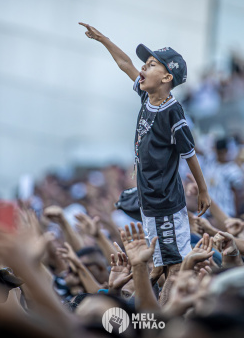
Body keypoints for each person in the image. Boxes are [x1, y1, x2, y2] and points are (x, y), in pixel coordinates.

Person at [79, 23, 211, 277]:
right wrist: (103, 39)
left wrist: (203, 190)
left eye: (151, 65)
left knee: (174, 266)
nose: (142, 68)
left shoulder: (173, 111)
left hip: (164, 204)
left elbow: (189, 153)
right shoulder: (145, 95)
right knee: (159, 261)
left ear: (166, 78)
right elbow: (125, 64)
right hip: (149, 200)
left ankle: (176, 307)